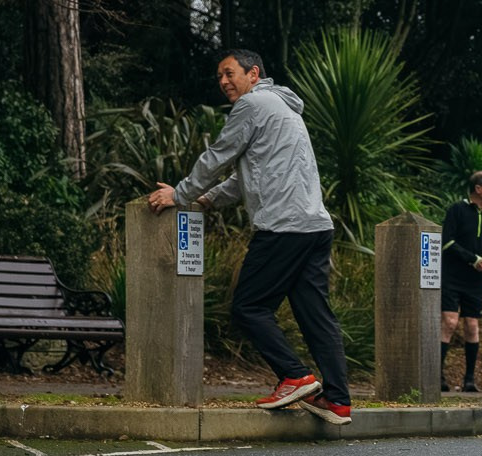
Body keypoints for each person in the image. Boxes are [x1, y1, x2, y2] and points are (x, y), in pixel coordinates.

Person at [147, 49, 351, 425]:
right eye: (219, 77)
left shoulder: (253, 105)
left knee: (248, 307)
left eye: (229, 74)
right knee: (315, 316)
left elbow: (217, 157)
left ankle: (294, 376)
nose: (223, 82)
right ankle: (337, 400)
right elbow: (245, 178)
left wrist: (179, 194)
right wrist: (207, 199)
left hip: (283, 227)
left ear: (253, 74)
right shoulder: (282, 108)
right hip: (315, 228)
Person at [440, 171, 482, 392]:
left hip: (475, 282)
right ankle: (438, 376)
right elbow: (446, 242)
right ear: (479, 188)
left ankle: (469, 380)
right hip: (452, 277)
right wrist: (473, 259)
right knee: (449, 322)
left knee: (472, 325)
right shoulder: (457, 210)